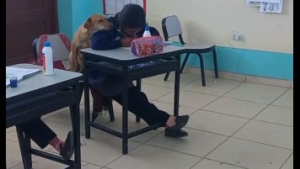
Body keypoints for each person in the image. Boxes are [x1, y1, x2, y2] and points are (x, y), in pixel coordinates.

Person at [90, 4, 189, 138]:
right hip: (103, 74)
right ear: (123, 24)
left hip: (122, 70)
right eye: (131, 31)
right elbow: (96, 42)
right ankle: (168, 121)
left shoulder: (139, 26)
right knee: (133, 96)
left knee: (135, 96)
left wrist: (145, 38)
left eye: (138, 30)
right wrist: (121, 42)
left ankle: (167, 122)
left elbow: (153, 33)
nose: (135, 34)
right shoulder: (111, 25)